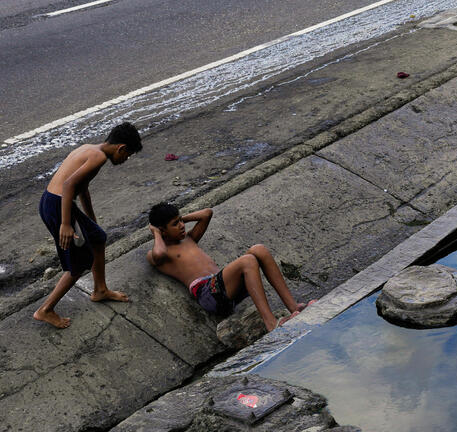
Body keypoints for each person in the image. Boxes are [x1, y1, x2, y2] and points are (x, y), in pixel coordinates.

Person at [33, 122, 143, 329]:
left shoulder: (90, 148)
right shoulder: (99, 157)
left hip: (51, 201)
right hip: (58, 207)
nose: (125, 160)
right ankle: (45, 310)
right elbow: (68, 186)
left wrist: (91, 219)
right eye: (127, 155)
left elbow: (82, 188)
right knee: (79, 262)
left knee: (98, 237)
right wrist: (66, 224)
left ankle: (100, 290)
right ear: (121, 148)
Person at [146, 202, 311, 332]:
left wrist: (180, 219)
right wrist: (156, 233)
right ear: (162, 231)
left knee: (258, 249)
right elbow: (158, 254)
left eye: (181, 220)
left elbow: (207, 213)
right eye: (175, 224)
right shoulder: (162, 253)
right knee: (247, 260)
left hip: (223, 287)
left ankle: (293, 306)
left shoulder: (188, 239)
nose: (182, 225)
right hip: (207, 294)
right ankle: (270, 323)